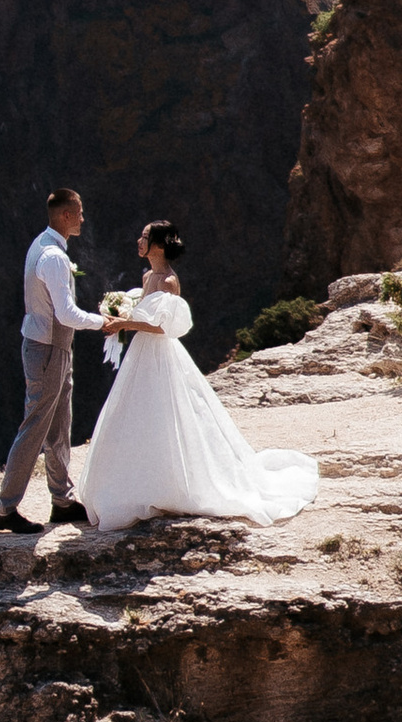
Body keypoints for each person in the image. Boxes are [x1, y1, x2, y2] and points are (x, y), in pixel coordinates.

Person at [78, 218, 319, 532]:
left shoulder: (167, 281)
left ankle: (166, 486)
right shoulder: (148, 276)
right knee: (137, 415)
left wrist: (126, 324)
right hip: (142, 354)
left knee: (164, 414)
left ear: (160, 246)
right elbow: (146, 312)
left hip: (159, 353)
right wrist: (126, 315)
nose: (139, 241)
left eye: (145, 237)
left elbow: (164, 327)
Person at [0, 186, 99, 533]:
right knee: (35, 428)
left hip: (51, 349)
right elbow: (65, 314)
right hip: (49, 351)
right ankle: (5, 509)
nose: (82, 217)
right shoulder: (53, 257)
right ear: (66, 216)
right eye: (79, 212)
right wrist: (104, 323)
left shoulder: (43, 244)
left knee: (58, 427)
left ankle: (62, 500)